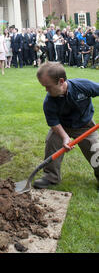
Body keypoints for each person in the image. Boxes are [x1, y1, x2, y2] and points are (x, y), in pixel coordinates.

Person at [33, 62, 99, 190]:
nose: (46, 90)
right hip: (62, 127)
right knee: (52, 144)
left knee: (96, 151)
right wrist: (64, 137)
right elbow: (54, 123)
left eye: (48, 86)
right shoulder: (49, 101)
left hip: (85, 126)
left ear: (61, 81)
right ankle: (51, 176)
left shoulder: (82, 86)